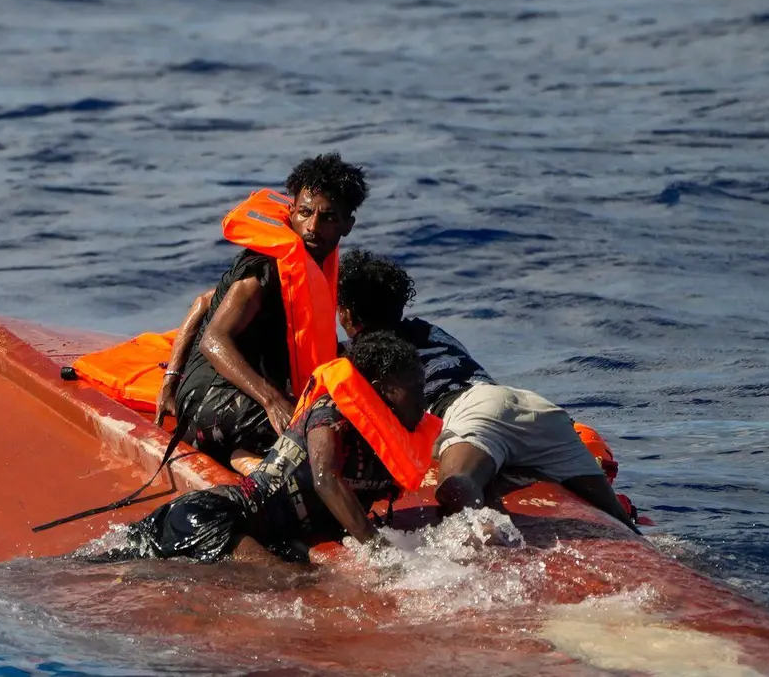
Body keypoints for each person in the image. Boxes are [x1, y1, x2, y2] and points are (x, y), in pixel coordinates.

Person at [335, 250, 640, 535]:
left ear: (346, 314)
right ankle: (642, 541)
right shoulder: (428, 330)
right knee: (616, 515)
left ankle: (491, 545)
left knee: (455, 486)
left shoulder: (361, 356)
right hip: (532, 406)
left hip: (471, 410)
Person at [111, 331, 428, 563]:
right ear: (378, 391)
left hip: (262, 536)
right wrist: (379, 552)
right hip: (217, 519)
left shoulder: (380, 440)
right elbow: (325, 479)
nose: (422, 400)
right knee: (289, 585)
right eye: (414, 390)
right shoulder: (330, 415)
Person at [160, 153, 369, 470]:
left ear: (347, 225)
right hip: (209, 399)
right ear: (291, 211)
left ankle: (243, 457)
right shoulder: (265, 270)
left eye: (327, 218)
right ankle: (254, 472)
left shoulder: (309, 268)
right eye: (305, 213)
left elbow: (205, 301)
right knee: (321, 438)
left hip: (238, 398)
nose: (312, 227)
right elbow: (213, 338)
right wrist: (171, 381)